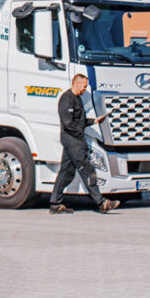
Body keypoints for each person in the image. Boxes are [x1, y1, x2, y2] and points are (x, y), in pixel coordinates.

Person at [50, 72, 117, 214]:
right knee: (87, 170)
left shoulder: (77, 99)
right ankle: (101, 202)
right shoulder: (67, 99)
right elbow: (69, 124)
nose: (85, 89)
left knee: (66, 173)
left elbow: (79, 121)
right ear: (77, 83)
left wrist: (94, 121)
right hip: (73, 141)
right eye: (84, 86)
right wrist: (80, 137)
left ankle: (55, 203)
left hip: (73, 141)